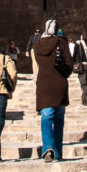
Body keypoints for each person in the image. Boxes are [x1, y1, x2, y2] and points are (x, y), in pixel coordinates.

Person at [32, 19, 74, 162]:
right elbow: (69, 65)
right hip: (59, 85)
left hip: (43, 84)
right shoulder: (61, 43)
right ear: (56, 30)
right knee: (58, 118)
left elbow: (38, 63)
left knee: (46, 116)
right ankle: (57, 152)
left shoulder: (36, 46)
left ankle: (48, 147)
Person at [73, 31, 87, 106]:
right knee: (85, 82)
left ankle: (86, 98)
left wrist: (73, 63)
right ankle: (84, 100)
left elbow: (74, 55)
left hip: (82, 66)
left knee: (83, 84)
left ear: (81, 36)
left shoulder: (78, 44)